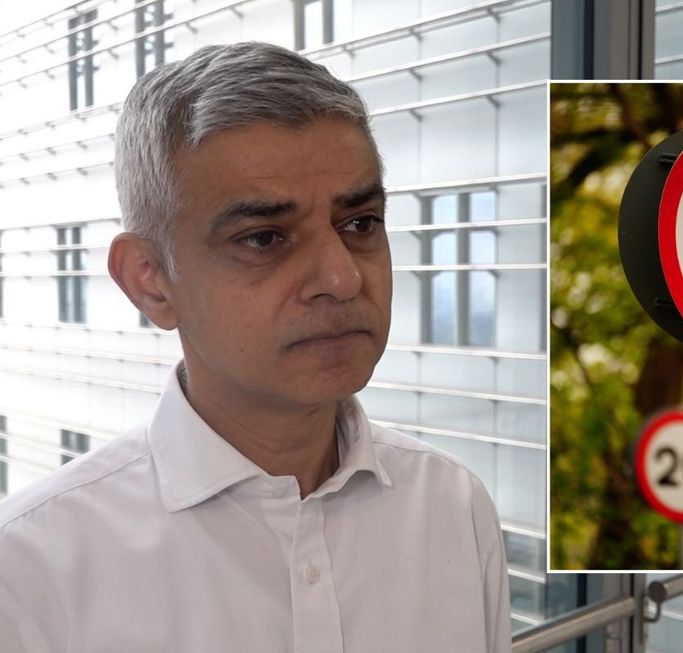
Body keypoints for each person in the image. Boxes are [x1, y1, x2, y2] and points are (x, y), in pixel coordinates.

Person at [0, 42, 511, 652]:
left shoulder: (454, 508)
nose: (343, 279)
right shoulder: (31, 567)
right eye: (265, 238)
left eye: (361, 224)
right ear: (150, 281)